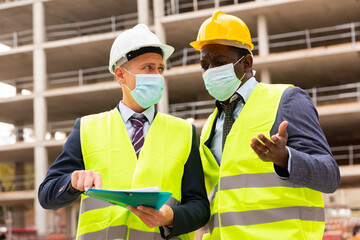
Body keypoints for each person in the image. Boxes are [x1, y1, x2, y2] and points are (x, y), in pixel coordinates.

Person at [39, 24, 210, 240]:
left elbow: (200, 206)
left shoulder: (184, 132)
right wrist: (73, 182)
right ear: (121, 75)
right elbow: (46, 196)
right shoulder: (86, 128)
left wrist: (171, 217)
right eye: (148, 67)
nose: (157, 75)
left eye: (160, 68)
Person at [190, 10, 340, 239]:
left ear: (247, 63)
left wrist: (285, 158)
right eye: (205, 65)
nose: (210, 71)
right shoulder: (211, 125)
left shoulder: (287, 99)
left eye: (219, 62)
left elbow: (329, 176)